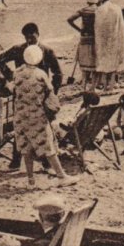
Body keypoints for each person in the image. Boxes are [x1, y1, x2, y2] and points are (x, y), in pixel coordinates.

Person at [13, 45, 78, 187]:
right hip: (37, 116)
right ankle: (61, 176)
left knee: (25, 147)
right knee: (48, 146)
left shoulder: (16, 73)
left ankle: (31, 180)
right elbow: (50, 92)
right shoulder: (41, 74)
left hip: (20, 116)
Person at [0, 22, 63, 94]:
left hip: (41, 91)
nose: (29, 40)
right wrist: (11, 77)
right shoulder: (18, 49)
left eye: (32, 37)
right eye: (27, 37)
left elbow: (58, 73)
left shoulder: (47, 51)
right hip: (22, 90)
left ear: (38, 34)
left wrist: (53, 91)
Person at [94, 0, 124, 90]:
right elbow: (121, 26)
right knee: (113, 66)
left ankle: (104, 87)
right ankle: (111, 87)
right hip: (115, 40)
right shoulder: (116, 8)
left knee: (104, 65)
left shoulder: (99, 10)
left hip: (104, 41)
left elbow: (97, 27)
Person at [67, 0, 98, 89]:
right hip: (95, 39)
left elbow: (69, 19)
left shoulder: (83, 10)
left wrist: (79, 30)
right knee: (94, 65)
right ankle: (92, 87)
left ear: (87, 1)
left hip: (84, 39)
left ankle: (84, 86)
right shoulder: (98, 10)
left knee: (84, 65)